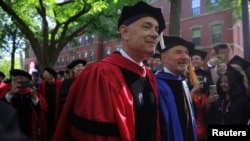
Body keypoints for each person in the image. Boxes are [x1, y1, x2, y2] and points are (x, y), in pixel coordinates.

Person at [53, 1, 165, 141]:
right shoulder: (100, 73)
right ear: (125, 32)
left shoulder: (148, 75)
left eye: (157, 29)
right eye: (147, 27)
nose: (155, 34)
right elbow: (94, 135)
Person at [155, 35, 198, 141]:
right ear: (164, 57)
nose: (185, 57)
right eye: (178, 52)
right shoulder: (156, 84)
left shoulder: (183, 83)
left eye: (187, 53)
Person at [0, 69, 46, 141]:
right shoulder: (5, 89)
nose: (21, 81)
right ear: (13, 79)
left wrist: (35, 99)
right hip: (11, 127)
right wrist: (10, 93)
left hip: (28, 126)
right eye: (19, 78)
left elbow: (42, 108)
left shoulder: (32, 91)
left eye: (24, 79)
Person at [37, 67, 62, 141]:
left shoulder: (60, 83)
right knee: (46, 126)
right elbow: (40, 95)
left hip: (56, 109)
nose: (43, 75)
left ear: (51, 75)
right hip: (46, 109)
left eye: (45, 73)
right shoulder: (42, 85)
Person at [190, 69, 209, 141]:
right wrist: (193, 90)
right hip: (193, 126)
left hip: (205, 125)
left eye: (201, 79)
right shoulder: (189, 92)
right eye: (197, 79)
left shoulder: (207, 94)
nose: (199, 81)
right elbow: (187, 104)